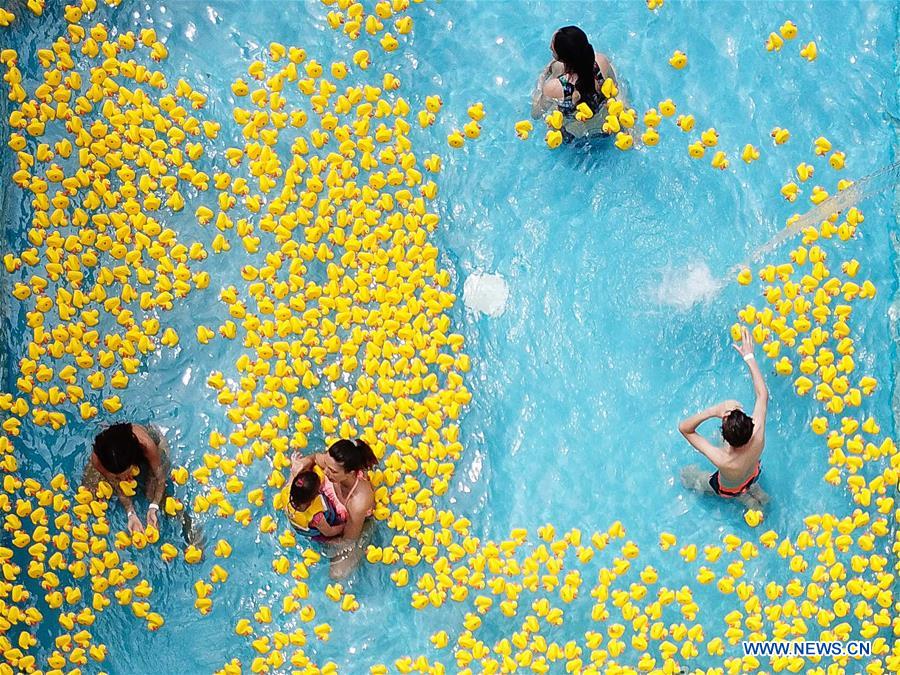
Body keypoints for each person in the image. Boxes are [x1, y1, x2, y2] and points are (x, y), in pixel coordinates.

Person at [679, 326, 769, 509]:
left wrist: (714, 410)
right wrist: (749, 356)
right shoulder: (758, 433)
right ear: (750, 424)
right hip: (754, 473)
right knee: (748, 484)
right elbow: (762, 395)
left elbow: (685, 428)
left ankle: (746, 498)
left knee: (688, 476)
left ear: (727, 438)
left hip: (729, 489)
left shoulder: (723, 459)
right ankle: (756, 495)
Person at [291, 438, 377, 578]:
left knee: (337, 575)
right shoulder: (332, 464)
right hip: (328, 517)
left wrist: (322, 538)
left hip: (353, 525)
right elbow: (314, 458)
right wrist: (303, 463)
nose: (325, 472)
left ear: (350, 473)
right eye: (326, 466)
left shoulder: (358, 501)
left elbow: (348, 540)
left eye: (333, 471)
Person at [530, 25, 620, 138]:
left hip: (576, 136)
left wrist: (540, 83)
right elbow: (615, 89)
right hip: (607, 126)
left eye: (553, 50)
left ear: (560, 58)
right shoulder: (602, 61)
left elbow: (536, 114)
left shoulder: (553, 88)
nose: (550, 46)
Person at [83, 423, 170, 534]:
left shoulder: (147, 445)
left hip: (147, 444)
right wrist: (130, 512)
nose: (123, 478)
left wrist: (154, 506)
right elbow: (114, 483)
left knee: (152, 492)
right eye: (118, 476)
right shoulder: (97, 459)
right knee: (90, 489)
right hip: (114, 444)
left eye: (125, 473)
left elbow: (161, 479)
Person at [285, 469, 345, 540]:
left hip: (298, 525)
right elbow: (328, 532)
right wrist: (344, 527)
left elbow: (293, 474)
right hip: (319, 532)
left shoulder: (286, 492)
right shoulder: (316, 516)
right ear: (315, 496)